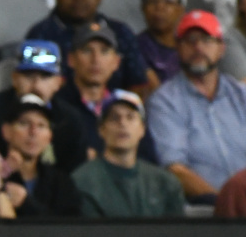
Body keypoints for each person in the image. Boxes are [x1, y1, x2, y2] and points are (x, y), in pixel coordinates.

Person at [147, 10, 246, 204]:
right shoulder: (164, 101)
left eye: (207, 40)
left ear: (221, 48)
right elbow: (175, 169)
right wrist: (227, 203)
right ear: (178, 48)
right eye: (189, 40)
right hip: (202, 211)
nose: (198, 47)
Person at [0, 39, 89, 174]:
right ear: (14, 78)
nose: (36, 84)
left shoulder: (71, 121)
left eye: (45, 76)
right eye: (28, 76)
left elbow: (75, 175)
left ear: (59, 82)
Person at [55, 20, 159, 164]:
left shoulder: (128, 106)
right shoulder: (56, 106)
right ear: (71, 60)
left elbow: (149, 161)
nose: (95, 60)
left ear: (116, 62)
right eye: (86, 50)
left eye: (104, 51)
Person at [26, 0, 156, 96]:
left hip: (113, 115)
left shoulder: (120, 32)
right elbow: (34, 86)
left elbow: (138, 84)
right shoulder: (41, 35)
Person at [72, 89, 184, 217]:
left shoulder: (166, 183)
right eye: (114, 118)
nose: (123, 123)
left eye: (130, 117)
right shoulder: (83, 181)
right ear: (101, 130)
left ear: (142, 129)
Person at [0, 94, 82, 218]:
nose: (33, 132)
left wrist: (26, 203)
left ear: (49, 137)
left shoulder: (60, 182)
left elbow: (71, 229)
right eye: (24, 123)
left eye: (41, 125)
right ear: (6, 131)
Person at [137, 0, 187, 85]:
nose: (159, 7)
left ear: (181, 9)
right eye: (152, 1)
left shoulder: (191, 46)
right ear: (143, 8)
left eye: (168, 1)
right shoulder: (135, 47)